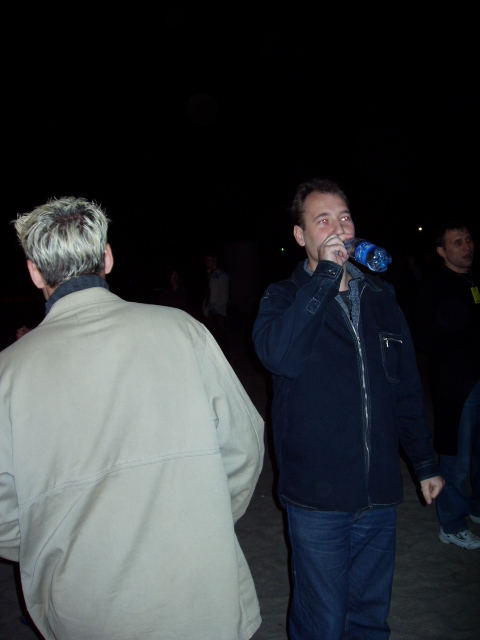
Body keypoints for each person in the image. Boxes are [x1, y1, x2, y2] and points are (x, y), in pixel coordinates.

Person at [0, 197, 264, 640]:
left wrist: (48, 550)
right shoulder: (183, 331)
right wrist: (207, 518)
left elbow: (6, 515)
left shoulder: (8, 373)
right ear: (107, 257)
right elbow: (245, 448)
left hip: (86, 610)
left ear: (34, 272)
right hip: (203, 596)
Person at [252, 178, 444, 640]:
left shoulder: (381, 297)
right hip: (317, 498)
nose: (338, 229)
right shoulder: (282, 296)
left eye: (345, 218)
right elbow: (278, 355)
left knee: (370, 619)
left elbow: (406, 387)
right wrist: (324, 278)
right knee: (321, 622)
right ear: (300, 235)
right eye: (323, 220)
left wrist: (423, 463)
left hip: (379, 491)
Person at [415, 220, 480, 549]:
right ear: (441, 250)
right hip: (456, 385)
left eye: (468, 240)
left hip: (477, 378)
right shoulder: (435, 286)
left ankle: (476, 508)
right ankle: (452, 524)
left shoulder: (472, 279)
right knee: (457, 456)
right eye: (457, 242)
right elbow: (425, 336)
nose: (466, 247)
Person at [203, 252, 230, 359]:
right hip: (212, 314)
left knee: (222, 345)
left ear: (215, 259)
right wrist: (206, 308)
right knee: (213, 344)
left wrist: (214, 308)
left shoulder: (221, 275)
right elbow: (209, 294)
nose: (207, 261)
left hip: (219, 315)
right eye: (205, 259)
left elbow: (223, 297)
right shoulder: (211, 275)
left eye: (209, 258)